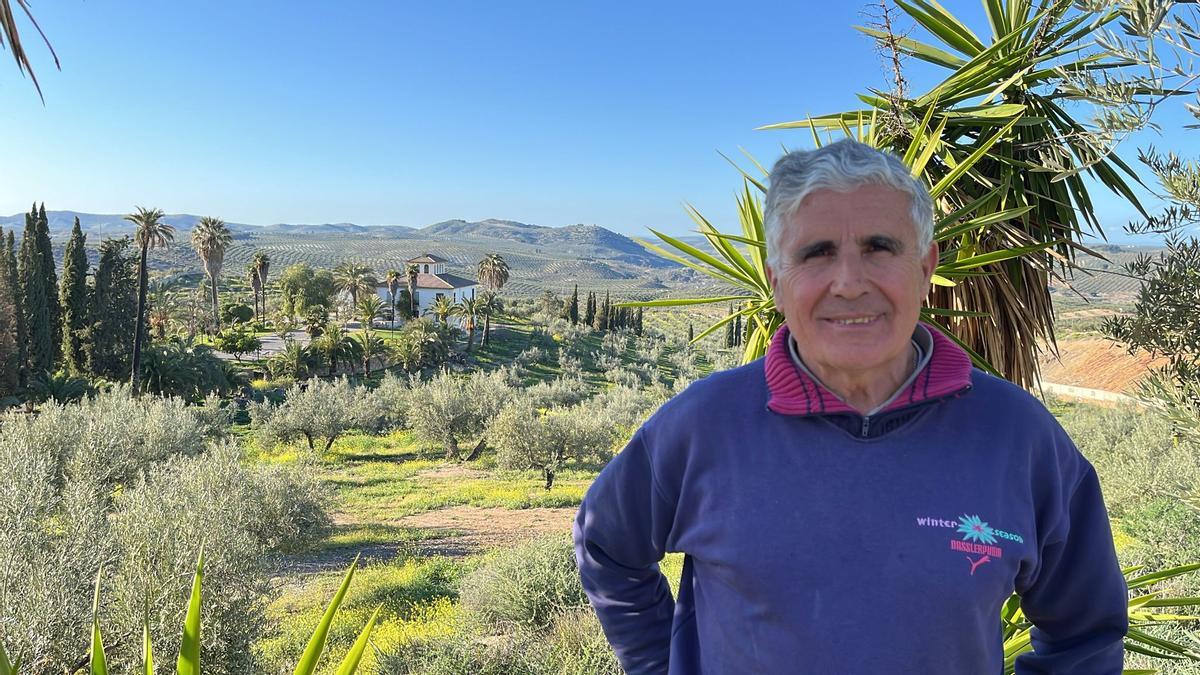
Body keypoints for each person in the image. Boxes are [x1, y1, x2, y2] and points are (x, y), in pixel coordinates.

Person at [573, 139, 1128, 674]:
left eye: (878, 248)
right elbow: (606, 545)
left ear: (926, 266)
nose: (849, 283)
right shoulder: (702, 426)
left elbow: (1086, 629)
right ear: (776, 282)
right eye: (817, 253)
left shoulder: (1018, 436)